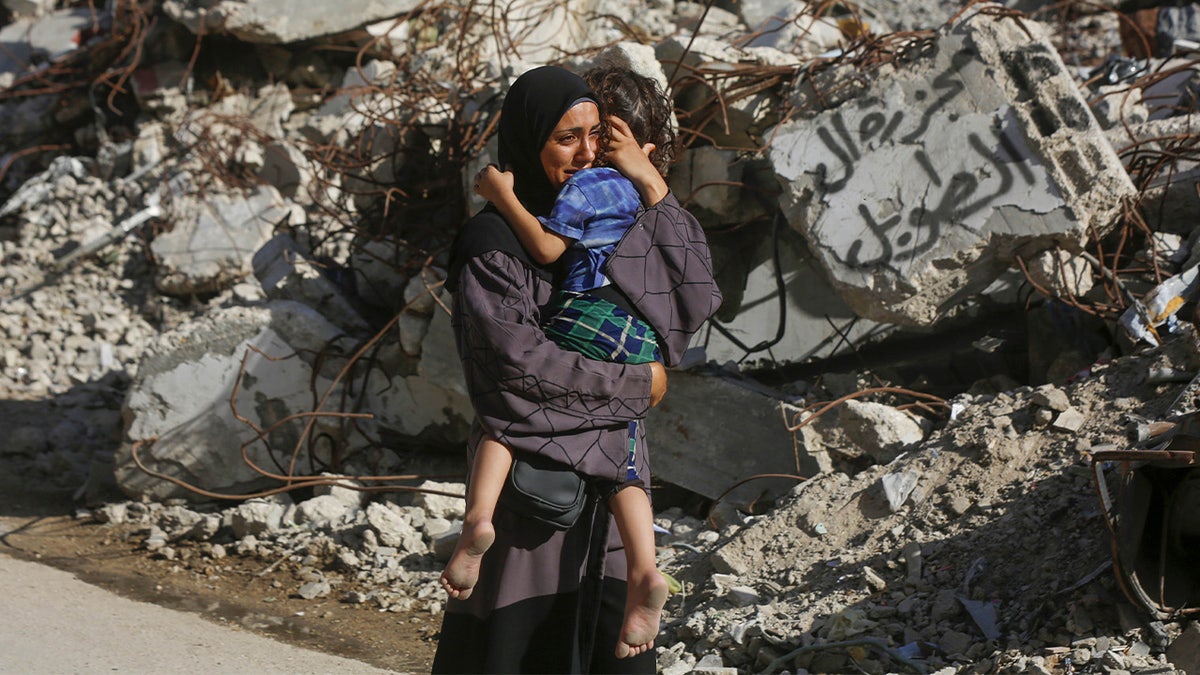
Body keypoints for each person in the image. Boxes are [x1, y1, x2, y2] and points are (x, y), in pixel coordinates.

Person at [432, 64, 720, 674]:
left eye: (601, 139)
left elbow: (692, 298)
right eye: (568, 139)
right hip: (536, 516)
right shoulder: (494, 244)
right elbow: (513, 369)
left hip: (610, 522)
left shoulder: (610, 224)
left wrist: (653, 188)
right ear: (530, 142)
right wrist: (637, 386)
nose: (589, 157)